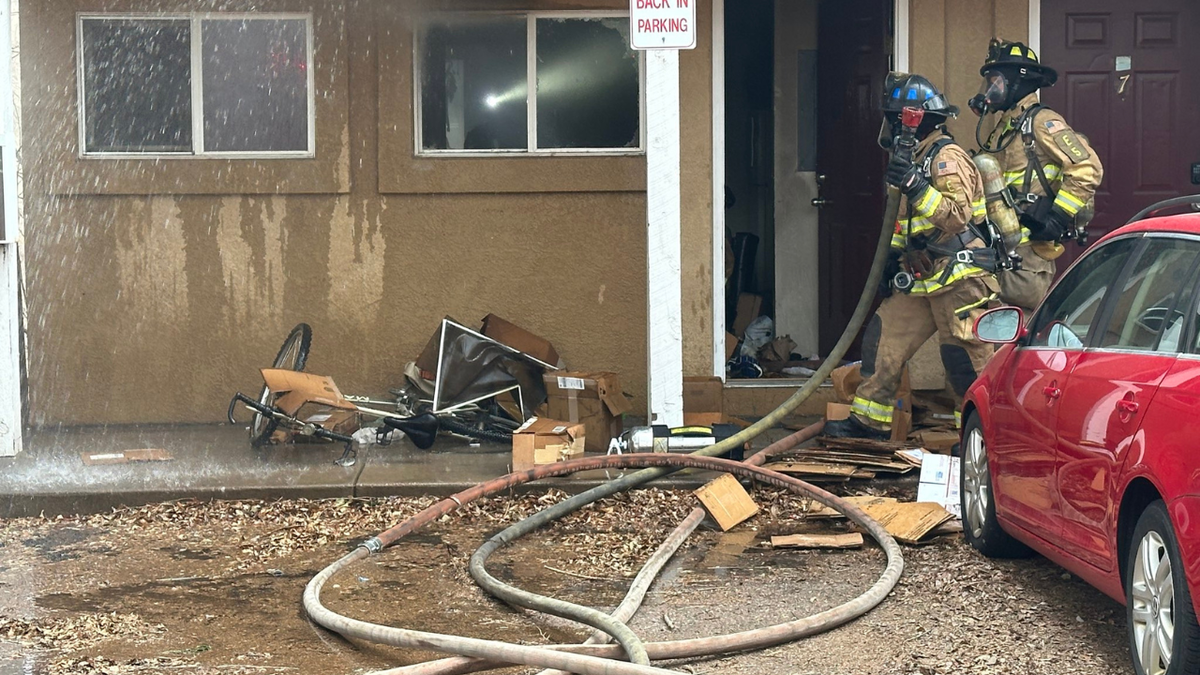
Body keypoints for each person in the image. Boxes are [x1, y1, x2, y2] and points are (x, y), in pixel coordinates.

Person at [825, 73, 999, 441]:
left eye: (893, 117)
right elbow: (905, 224)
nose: (889, 126)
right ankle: (869, 423)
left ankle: (975, 439)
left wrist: (918, 186)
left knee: (963, 363)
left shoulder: (946, 158)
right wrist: (892, 258)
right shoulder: (914, 159)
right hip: (922, 276)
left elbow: (957, 217)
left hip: (960, 280)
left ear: (914, 119)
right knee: (883, 336)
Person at [969, 39, 1103, 314]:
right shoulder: (1005, 128)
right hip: (1002, 247)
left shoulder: (1042, 122)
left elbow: (1088, 168)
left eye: (997, 82)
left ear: (1018, 83)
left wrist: (1057, 217)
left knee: (1016, 329)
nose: (991, 90)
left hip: (1029, 254)